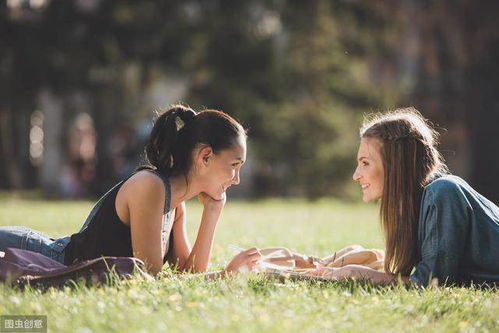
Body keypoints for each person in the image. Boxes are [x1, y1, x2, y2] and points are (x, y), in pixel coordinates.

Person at [0, 105, 261, 277]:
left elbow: (188, 273)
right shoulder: (151, 187)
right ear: (205, 156)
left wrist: (212, 213)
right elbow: (147, 276)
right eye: (234, 165)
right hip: (32, 253)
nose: (236, 178)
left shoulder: (175, 207)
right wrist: (225, 275)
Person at [310, 107, 499, 286]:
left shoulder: (443, 191)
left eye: (365, 163)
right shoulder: (416, 202)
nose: (356, 175)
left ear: (395, 165)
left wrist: (357, 274)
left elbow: (430, 282)